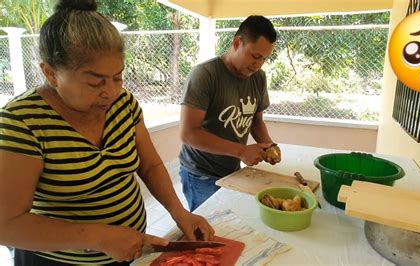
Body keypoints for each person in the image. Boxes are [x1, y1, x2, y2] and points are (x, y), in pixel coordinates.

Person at [0, 0, 214, 265]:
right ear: (50, 73)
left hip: (127, 254)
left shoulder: (124, 104)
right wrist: (98, 237)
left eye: (117, 77)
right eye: (94, 82)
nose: (111, 92)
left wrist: (179, 212)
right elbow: (7, 225)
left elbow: (150, 165)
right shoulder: (22, 122)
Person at [179, 15, 281, 211]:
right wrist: (242, 151)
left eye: (264, 58)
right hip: (200, 173)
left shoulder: (258, 78)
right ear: (237, 43)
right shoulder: (205, 75)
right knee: (212, 231)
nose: (258, 64)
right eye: (255, 56)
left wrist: (269, 145)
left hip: (232, 170)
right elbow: (189, 133)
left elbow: (256, 121)